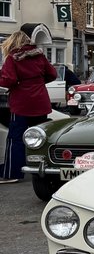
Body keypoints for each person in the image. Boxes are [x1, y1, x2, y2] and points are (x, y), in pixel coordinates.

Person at [0, 30, 57, 183]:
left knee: (16, 139)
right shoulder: (39, 56)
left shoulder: (13, 58)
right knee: (39, 138)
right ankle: (40, 170)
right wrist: (37, 83)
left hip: (21, 103)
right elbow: (53, 74)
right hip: (40, 102)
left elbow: (8, 80)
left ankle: (12, 174)